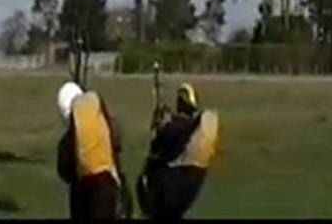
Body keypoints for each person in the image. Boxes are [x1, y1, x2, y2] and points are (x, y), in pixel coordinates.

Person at [136, 83, 219, 220]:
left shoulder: (178, 128)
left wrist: (160, 125)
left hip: (167, 188)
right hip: (185, 188)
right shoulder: (192, 129)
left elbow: (158, 148)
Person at [56, 81, 132, 220]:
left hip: (83, 196)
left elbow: (64, 170)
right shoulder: (105, 120)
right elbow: (118, 139)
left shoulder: (69, 139)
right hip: (111, 187)